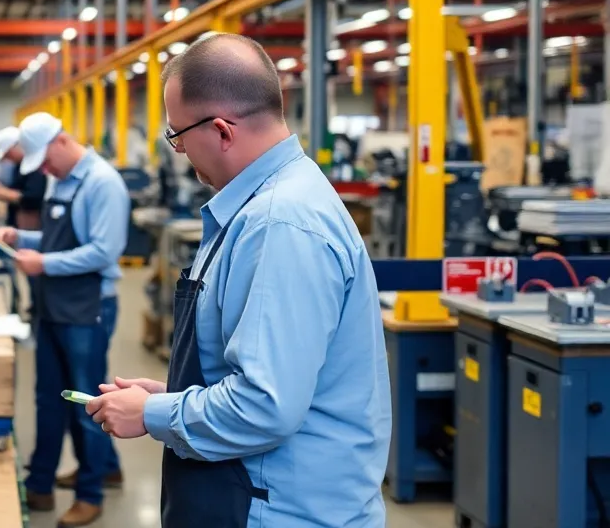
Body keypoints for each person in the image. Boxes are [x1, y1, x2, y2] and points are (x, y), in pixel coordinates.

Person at [86, 33, 391, 527]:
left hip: (279, 512)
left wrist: (152, 414)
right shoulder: (267, 205)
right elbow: (270, 372)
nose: (181, 151)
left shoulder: (279, 225)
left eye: (178, 136)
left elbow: (266, 406)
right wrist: (169, 395)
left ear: (222, 131)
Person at [0, 112, 130, 528]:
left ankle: (90, 492)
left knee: (87, 401)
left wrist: (44, 263)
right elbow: (56, 239)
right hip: (53, 304)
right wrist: (20, 238)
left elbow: (103, 252)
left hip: (88, 307)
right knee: (50, 397)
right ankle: (49, 481)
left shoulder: (103, 183)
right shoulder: (60, 178)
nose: (45, 171)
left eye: (47, 161)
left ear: (62, 142)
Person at [0, 126, 46, 231]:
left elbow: (33, 197)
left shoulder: (34, 167)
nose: (8, 159)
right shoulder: (19, 166)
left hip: (31, 227)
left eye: (8, 154)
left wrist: (0, 191)